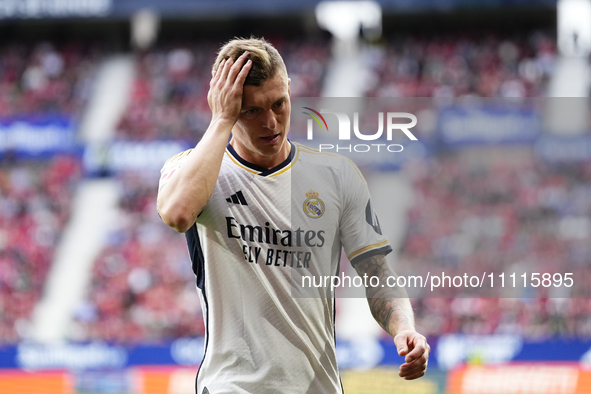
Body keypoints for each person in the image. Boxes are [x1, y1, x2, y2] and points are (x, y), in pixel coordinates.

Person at [157, 37, 429, 394]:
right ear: (227, 105)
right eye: (251, 110)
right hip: (232, 386)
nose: (270, 121)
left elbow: (377, 272)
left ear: (289, 89)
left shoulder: (337, 175)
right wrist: (221, 118)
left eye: (279, 104)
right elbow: (177, 214)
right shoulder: (194, 170)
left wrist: (404, 327)